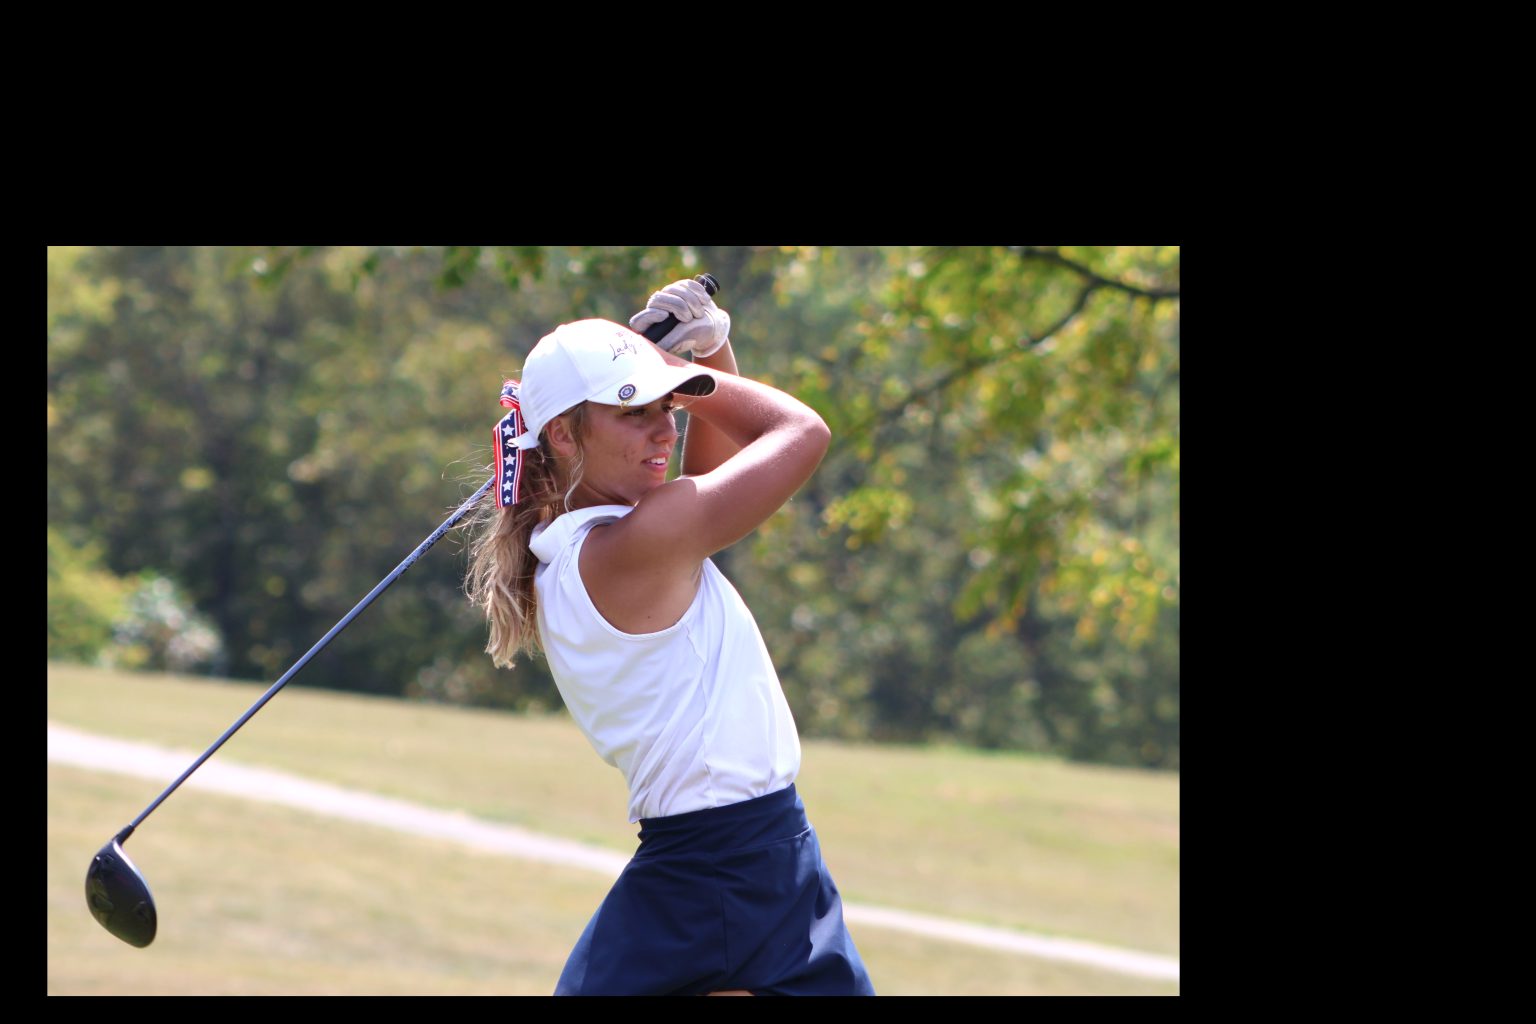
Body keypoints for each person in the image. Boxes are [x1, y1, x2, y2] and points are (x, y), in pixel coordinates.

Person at [463, 279, 875, 996]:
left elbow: (706, 476)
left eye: (667, 410)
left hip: (719, 865)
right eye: (634, 413)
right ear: (563, 435)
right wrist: (685, 369)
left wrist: (708, 351)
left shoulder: (578, 547)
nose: (665, 429)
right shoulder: (633, 546)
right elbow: (802, 432)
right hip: (732, 870)